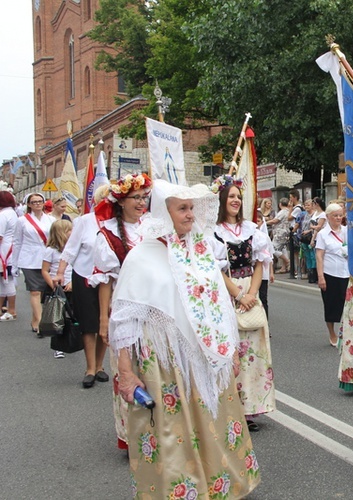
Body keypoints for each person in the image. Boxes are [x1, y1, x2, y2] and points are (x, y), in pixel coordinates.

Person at [109, 179, 260, 498]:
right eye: (182, 208)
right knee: (173, 433)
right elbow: (124, 321)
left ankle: (219, 486)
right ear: (164, 212)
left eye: (192, 207)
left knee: (213, 424)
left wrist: (229, 351)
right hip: (165, 364)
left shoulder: (201, 253)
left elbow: (220, 304)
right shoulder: (141, 257)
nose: (190, 214)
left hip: (207, 359)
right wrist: (125, 372)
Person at [90, 174, 152, 449]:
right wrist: (104, 320)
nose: (141, 203)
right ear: (121, 202)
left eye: (143, 197)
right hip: (124, 308)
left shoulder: (153, 228)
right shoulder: (108, 235)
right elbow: (105, 282)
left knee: (154, 369)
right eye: (136, 198)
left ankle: (158, 430)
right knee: (126, 371)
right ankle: (132, 436)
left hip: (155, 307)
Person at [213, 176, 275, 432]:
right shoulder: (213, 232)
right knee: (230, 351)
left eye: (239, 196)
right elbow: (216, 270)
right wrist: (239, 295)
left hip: (250, 290)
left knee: (251, 353)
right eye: (231, 197)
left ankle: (249, 408)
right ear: (221, 201)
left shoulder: (252, 229)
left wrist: (252, 293)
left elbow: (261, 263)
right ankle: (229, 407)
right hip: (227, 293)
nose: (236, 201)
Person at [56, 185, 111, 389]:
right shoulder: (83, 221)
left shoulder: (116, 222)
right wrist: (60, 272)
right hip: (84, 275)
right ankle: (89, 368)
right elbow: (71, 249)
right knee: (88, 324)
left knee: (105, 322)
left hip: (108, 278)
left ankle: (99, 365)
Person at [11, 193, 54, 336]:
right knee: (35, 291)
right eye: (34, 202)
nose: (37, 204)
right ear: (28, 204)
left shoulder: (51, 220)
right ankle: (41, 323)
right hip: (29, 258)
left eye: (40, 201)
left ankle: (35, 319)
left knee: (44, 292)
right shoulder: (22, 221)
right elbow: (17, 242)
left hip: (47, 258)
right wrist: (14, 263)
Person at [316, 203, 349, 346]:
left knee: (347, 305)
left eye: (340, 215)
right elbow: (319, 256)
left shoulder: (347, 231)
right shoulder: (323, 234)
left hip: (346, 273)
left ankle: (346, 333)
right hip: (330, 273)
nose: (338, 218)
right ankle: (332, 333)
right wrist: (320, 277)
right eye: (335, 215)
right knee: (330, 305)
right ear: (328, 217)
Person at [41, 219, 73, 359]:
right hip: (57, 288)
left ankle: (73, 341)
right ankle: (58, 347)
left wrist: (72, 282)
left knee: (72, 317)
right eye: (69, 230)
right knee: (58, 319)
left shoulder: (73, 250)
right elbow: (45, 270)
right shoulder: (51, 251)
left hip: (71, 287)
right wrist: (53, 284)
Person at [0, 190, 18, 322]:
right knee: (4, 280)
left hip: (4, 251)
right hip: (10, 249)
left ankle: (11, 309)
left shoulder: (3, 215)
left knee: (7, 280)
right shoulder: (12, 213)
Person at [267, 198, 290, 272]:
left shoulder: (282, 212)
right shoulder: (288, 211)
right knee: (283, 249)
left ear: (280, 204)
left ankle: (287, 261)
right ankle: (284, 268)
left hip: (280, 233)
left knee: (273, 248)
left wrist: (265, 223)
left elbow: (275, 220)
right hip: (285, 232)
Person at [287, 189, 303, 278]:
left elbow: (289, 218)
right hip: (293, 231)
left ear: (295, 197)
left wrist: (290, 208)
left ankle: (297, 270)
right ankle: (296, 269)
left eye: (291, 198)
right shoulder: (296, 208)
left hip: (295, 232)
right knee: (295, 252)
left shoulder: (297, 208)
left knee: (296, 252)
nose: (290, 200)